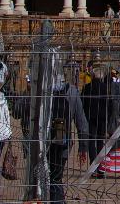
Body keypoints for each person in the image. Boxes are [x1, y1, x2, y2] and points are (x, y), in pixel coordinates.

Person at [46, 73, 90, 204]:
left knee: (42, 177)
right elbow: (81, 122)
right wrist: (83, 147)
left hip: (42, 141)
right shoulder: (72, 91)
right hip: (62, 139)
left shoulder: (42, 89)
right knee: (56, 176)